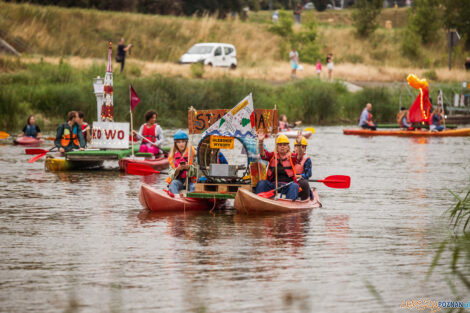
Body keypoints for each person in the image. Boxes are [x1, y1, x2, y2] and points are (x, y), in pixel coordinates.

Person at [255, 131, 310, 201]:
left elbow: (299, 156)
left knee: (295, 186)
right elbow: (263, 154)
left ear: (288, 147)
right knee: (262, 183)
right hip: (273, 185)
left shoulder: (292, 157)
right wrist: (260, 142)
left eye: (284, 145)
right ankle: (258, 200)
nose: (282, 146)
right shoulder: (272, 156)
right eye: (280, 145)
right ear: (277, 147)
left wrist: (299, 144)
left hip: (287, 185)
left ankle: (288, 204)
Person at [166, 131, 197, 195]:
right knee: (173, 183)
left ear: (186, 142)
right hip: (179, 181)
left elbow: (198, 171)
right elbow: (171, 174)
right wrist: (177, 169)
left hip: (191, 181)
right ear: (175, 143)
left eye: (183, 141)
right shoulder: (172, 156)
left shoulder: (193, 153)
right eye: (178, 142)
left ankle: (191, 200)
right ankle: (176, 199)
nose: (181, 144)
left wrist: (189, 167)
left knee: (194, 187)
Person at [294, 136, 313, 200]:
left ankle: (306, 197)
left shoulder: (307, 160)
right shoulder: (289, 157)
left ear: (305, 149)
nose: (299, 148)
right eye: (296, 146)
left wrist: (298, 176)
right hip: (290, 182)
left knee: (304, 183)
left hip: (302, 184)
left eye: (303, 147)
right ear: (294, 147)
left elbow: (308, 175)